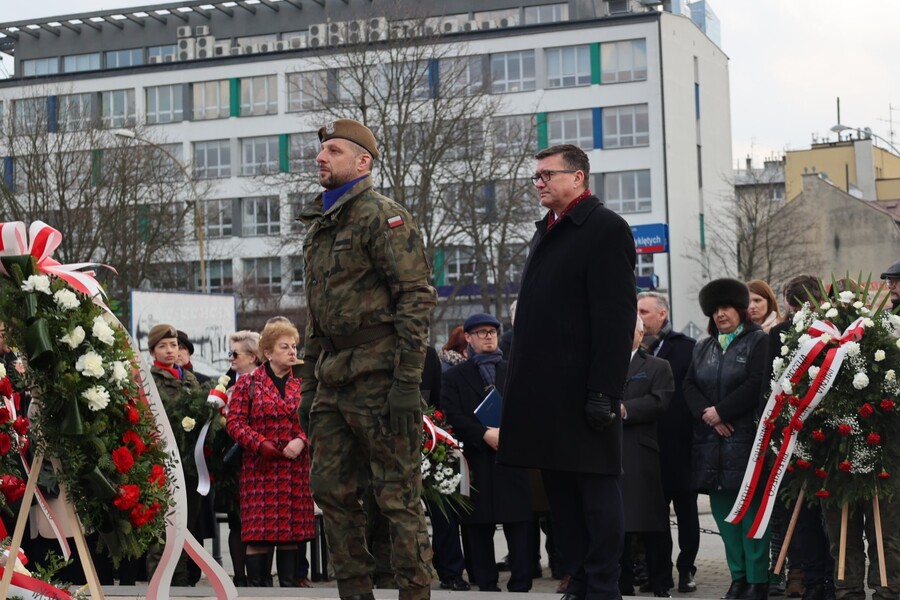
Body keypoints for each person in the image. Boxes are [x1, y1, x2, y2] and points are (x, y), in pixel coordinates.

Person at [297, 118, 437, 600]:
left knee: (397, 499)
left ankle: (414, 593)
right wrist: (309, 384)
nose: (321, 157)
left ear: (362, 162)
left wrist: (406, 384)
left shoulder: (384, 216)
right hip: (333, 381)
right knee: (330, 493)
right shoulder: (319, 225)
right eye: (321, 151)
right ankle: (355, 593)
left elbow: (415, 298)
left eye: (333, 151)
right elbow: (318, 314)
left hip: (380, 378)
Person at [499, 143, 637, 600]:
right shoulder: (549, 228)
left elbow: (615, 318)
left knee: (596, 493)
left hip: (583, 392)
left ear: (578, 178)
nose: (539, 183)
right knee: (560, 495)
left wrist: (603, 389)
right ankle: (576, 579)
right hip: (546, 395)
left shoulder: (605, 229)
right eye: (535, 176)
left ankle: (602, 583)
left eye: (547, 175)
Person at [683, 279, 770, 600]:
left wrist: (723, 412)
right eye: (715, 310)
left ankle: (758, 581)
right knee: (725, 518)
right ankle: (738, 578)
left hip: (746, 443)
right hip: (711, 447)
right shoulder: (702, 346)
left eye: (727, 308)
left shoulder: (758, 342)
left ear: (740, 311)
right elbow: (689, 385)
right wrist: (708, 414)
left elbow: (757, 382)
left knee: (750, 516)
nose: (721, 315)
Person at [443, 312, 533, 593]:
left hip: (512, 457)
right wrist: (483, 434)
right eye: (481, 332)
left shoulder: (515, 369)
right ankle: (486, 583)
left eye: (492, 331)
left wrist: (509, 434)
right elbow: (452, 414)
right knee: (479, 526)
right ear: (468, 338)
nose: (488, 336)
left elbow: (530, 407)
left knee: (518, 524)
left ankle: (521, 583)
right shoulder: (456, 376)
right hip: (477, 457)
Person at [226, 320, 315, 587]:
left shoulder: (303, 382)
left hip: (293, 468)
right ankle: (258, 589)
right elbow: (234, 423)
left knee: (290, 536)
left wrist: (302, 439)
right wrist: (259, 443)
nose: (292, 352)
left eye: (294, 347)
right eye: (285, 347)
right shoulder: (248, 383)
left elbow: (316, 417)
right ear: (267, 352)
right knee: (259, 538)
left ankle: (289, 587)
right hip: (260, 470)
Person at [766, 277, 833, 600]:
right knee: (803, 516)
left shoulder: (835, 332)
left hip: (833, 436)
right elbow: (771, 383)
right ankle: (813, 579)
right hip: (794, 437)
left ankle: (832, 580)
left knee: (830, 514)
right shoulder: (779, 335)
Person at [637, 291, 699, 594]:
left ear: (662, 314)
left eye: (644, 311)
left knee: (687, 514)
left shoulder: (685, 348)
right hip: (647, 447)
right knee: (653, 517)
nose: (640, 316)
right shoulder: (633, 351)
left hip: (680, 445)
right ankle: (657, 571)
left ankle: (686, 569)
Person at [618, 316, 674, 598]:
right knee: (617, 525)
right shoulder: (602, 364)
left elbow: (660, 399)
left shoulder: (657, 366)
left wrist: (625, 409)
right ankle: (621, 583)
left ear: (642, 332)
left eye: (631, 329)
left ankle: (661, 581)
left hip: (641, 452)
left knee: (651, 522)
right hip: (609, 452)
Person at [146, 323, 203, 586]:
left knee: (187, 527)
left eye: (174, 345)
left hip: (190, 464)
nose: (170, 351)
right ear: (153, 350)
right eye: (163, 346)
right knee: (163, 528)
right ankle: (162, 582)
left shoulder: (189, 379)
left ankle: (182, 583)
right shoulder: (149, 379)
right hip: (163, 463)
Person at [220, 330, 263, 587]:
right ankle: (240, 577)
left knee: (258, 522)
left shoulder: (264, 382)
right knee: (236, 520)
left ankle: (260, 579)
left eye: (235, 353)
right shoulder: (224, 382)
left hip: (258, 457)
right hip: (231, 461)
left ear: (254, 357)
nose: (231, 358)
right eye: (230, 353)